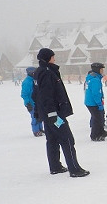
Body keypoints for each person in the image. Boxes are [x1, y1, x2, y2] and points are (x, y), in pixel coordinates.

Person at [32, 48, 89, 177]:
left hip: (47, 114)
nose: (55, 59)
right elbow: (46, 96)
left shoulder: (39, 72)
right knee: (67, 139)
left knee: (52, 140)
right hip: (54, 114)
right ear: (47, 58)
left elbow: (35, 95)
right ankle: (74, 169)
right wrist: (52, 114)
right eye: (53, 57)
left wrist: (38, 112)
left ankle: (55, 166)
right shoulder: (47, 73)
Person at [84, 62, 107, 141]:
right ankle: (95, 135)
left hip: (92, 102)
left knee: (99, 117)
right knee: (97, 119)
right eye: (101, 69)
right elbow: (96, 93)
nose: (102, 71)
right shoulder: (95, 80)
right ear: (97, 70)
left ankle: (101, 132)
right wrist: (99, 103)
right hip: (93, 103)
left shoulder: (94, 78)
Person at [21, 66, 44, 136]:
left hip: (37, 102)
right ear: (31, 73)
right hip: (31, 103)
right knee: (34, 117)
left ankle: (40, 129)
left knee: (39, 116)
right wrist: (28, 103)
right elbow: (24, 94)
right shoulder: (27, 82)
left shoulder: (34, 80)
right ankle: (36, 130)